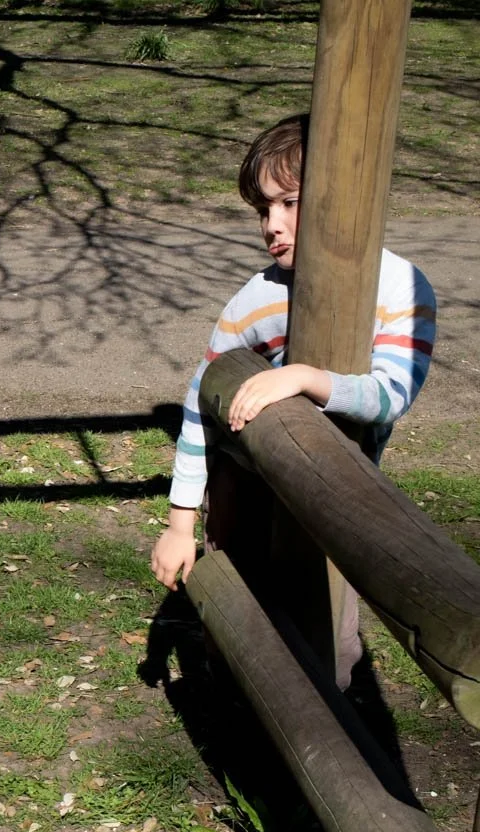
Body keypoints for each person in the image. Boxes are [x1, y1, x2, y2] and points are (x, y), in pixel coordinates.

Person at [149, 113, 437, 687]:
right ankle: (233, 698)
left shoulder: (402, 286)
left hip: (337, 490)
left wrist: (307, 377)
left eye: (289, 203)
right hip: (243, 481)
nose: (272, 225)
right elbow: (198, 399)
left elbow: (391, 395)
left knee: (328, 628)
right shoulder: (255, 299)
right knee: (237, 593)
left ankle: (329, 732)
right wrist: (181, 522)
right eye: (263, 210)